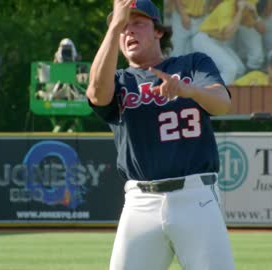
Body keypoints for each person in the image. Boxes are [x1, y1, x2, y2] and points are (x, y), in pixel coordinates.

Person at [85, 0, 235, 269]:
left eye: (138, 24)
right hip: (140, 202)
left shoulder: (192, 64)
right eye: (123, 27)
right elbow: (96, 94)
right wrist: (114, 25)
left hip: (196, 197)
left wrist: (191, 92)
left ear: (158, 31)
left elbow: (222, 103)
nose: (129, 32)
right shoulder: (118, 81)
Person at [190, 0, 265, 84]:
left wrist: (255, 14)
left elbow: (262, 30)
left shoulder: (245, 10)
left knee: (240, 69)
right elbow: (227, 35)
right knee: (230, 68)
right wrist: (240, 11)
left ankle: (232, 93)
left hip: (216, 41)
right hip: (203, 40)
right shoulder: (226, 7)